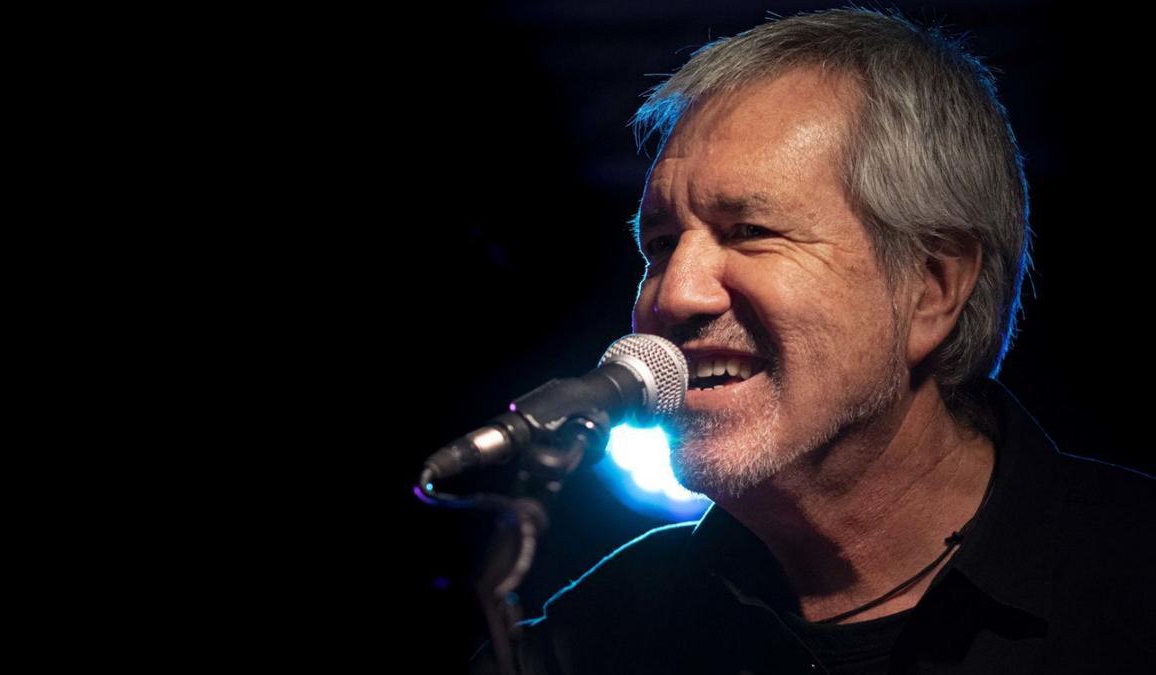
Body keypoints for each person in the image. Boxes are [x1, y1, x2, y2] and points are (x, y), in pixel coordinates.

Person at [471, 8, 1155, 674]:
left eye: (749, 233)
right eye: (659, 244)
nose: (674, 294)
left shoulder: (1132, 581)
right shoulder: (591, 641)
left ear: (932, 289)